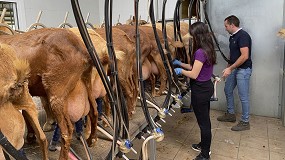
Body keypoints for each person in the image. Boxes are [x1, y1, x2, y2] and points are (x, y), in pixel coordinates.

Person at [173, 21, 216, 160]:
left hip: (200, 90)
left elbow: (193, 74)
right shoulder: (208, 48)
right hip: (206, 87)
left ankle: (205, 154)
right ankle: (204, 145)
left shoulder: (199, 52)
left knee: (203, 123)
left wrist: (180, 71)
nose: (191, 37)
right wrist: (180, 63)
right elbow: (194, 67)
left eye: (192, 35)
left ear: (198, 35)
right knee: (205, 120)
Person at [217, 15, 252, 131]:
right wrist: (228, 67)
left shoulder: (243, 36)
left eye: (226, 26)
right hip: (234, 68)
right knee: (227, 89)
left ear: (232, 25)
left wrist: (230, 68)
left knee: (243, 96)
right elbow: (232, 54)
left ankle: (245, 122)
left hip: (243, 70)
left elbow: (245, 56)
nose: (225, 28)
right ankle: (231, 114)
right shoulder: (232, 37)